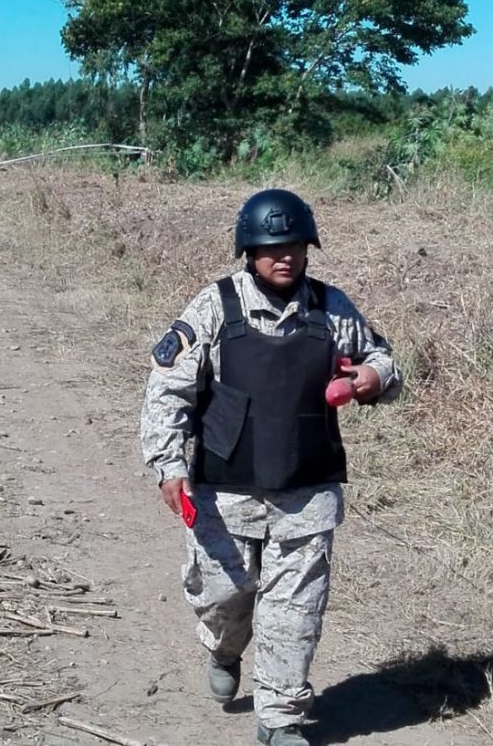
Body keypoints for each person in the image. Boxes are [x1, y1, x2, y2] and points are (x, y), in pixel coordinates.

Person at [140, 189, 403, 746]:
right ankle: (223, 647)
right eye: (270, 247)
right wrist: (168, 464)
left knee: (295, 608)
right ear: (248, 251)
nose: (284, 256)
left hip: (306, 490)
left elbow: (383, 358)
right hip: (223, 491)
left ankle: (280, 716)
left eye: (294, 246)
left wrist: (370, 378)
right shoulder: (214, 308)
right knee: (224, 596)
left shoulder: (332, 309)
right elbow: (168, 390)